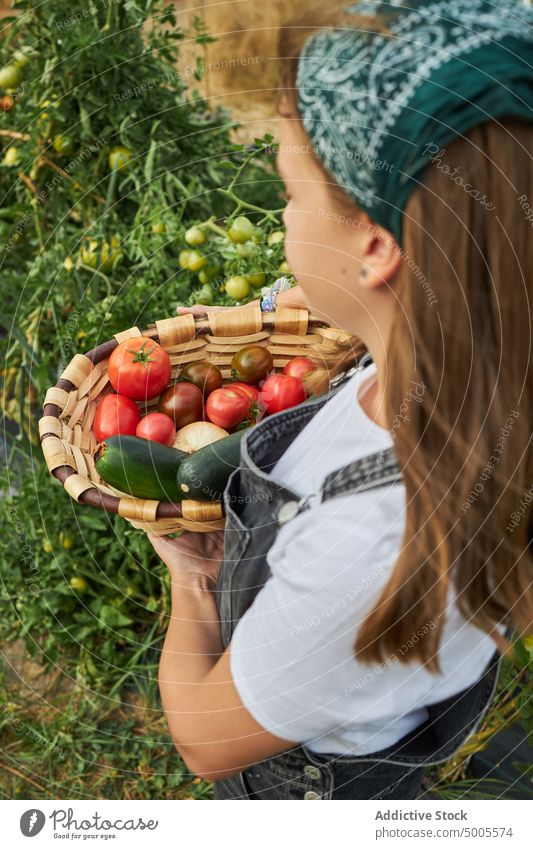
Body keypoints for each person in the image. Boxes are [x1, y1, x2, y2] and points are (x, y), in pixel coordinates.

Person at [150, 0, 533, 800]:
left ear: (375, 248)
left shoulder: (366, 544)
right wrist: (351, 309)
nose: (285, 213)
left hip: (308, 787)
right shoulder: (484, 355)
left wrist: (192, 584)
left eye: (289, 191)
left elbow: (204, 736)